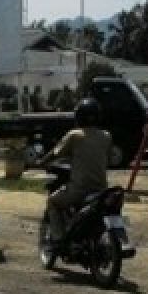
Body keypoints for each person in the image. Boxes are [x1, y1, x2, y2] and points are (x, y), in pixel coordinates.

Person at [39, 97, 112, 246]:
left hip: (80, 190)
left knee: (52, 202)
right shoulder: (106, 136)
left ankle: (58, 239)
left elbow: (55, 153)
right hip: (101, 190)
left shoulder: (74, 135)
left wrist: (42, 161)